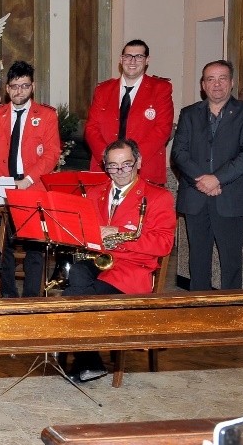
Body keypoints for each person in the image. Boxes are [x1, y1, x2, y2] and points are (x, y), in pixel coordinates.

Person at [62, 139, 176, 382]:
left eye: (126, 164)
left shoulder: (158, 196)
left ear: (138, 162)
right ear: (105, 166)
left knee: (76, 295)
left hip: (132, 269)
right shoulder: (96, 192)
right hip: (100, 261)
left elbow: (164, 244)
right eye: (113, 166)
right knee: (77, 273)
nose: (120, 171)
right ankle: (91, 360)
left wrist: (119, 234)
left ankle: (87, 359)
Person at [171, 60, 243, 291]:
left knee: (231, 262)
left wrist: (217, 178)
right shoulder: (189, 114)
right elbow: (179, 153)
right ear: (203, 85)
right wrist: (202, 179)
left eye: (222, 78)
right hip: (195, 197)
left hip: (230, 198)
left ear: (231, 83)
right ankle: (199, 306)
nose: (217, 84)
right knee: (197, 260)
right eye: (210, 79)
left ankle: (230, 309)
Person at [0, 60, 61, 298]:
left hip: (33, 188)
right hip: (2, 190)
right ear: (7, 89)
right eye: (14, 86)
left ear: (32, 86)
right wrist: (3, 181)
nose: (19, 91)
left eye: (24, 86)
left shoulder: (46, 115)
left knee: (35, 248)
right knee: (3, 246)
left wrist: (28, 179)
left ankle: (32, 299)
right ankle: (9, 296)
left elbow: (51, 153)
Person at [84, 40, 174, 184]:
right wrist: (110, 161)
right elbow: (91, 128)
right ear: (121, 59)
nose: (132, 61)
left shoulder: (160, 89)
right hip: (105, 170)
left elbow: (162, 129)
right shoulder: (103, 90)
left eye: (139, 56)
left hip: (144, 168)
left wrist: (132, 160)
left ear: (147, 60)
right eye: (128, 56)